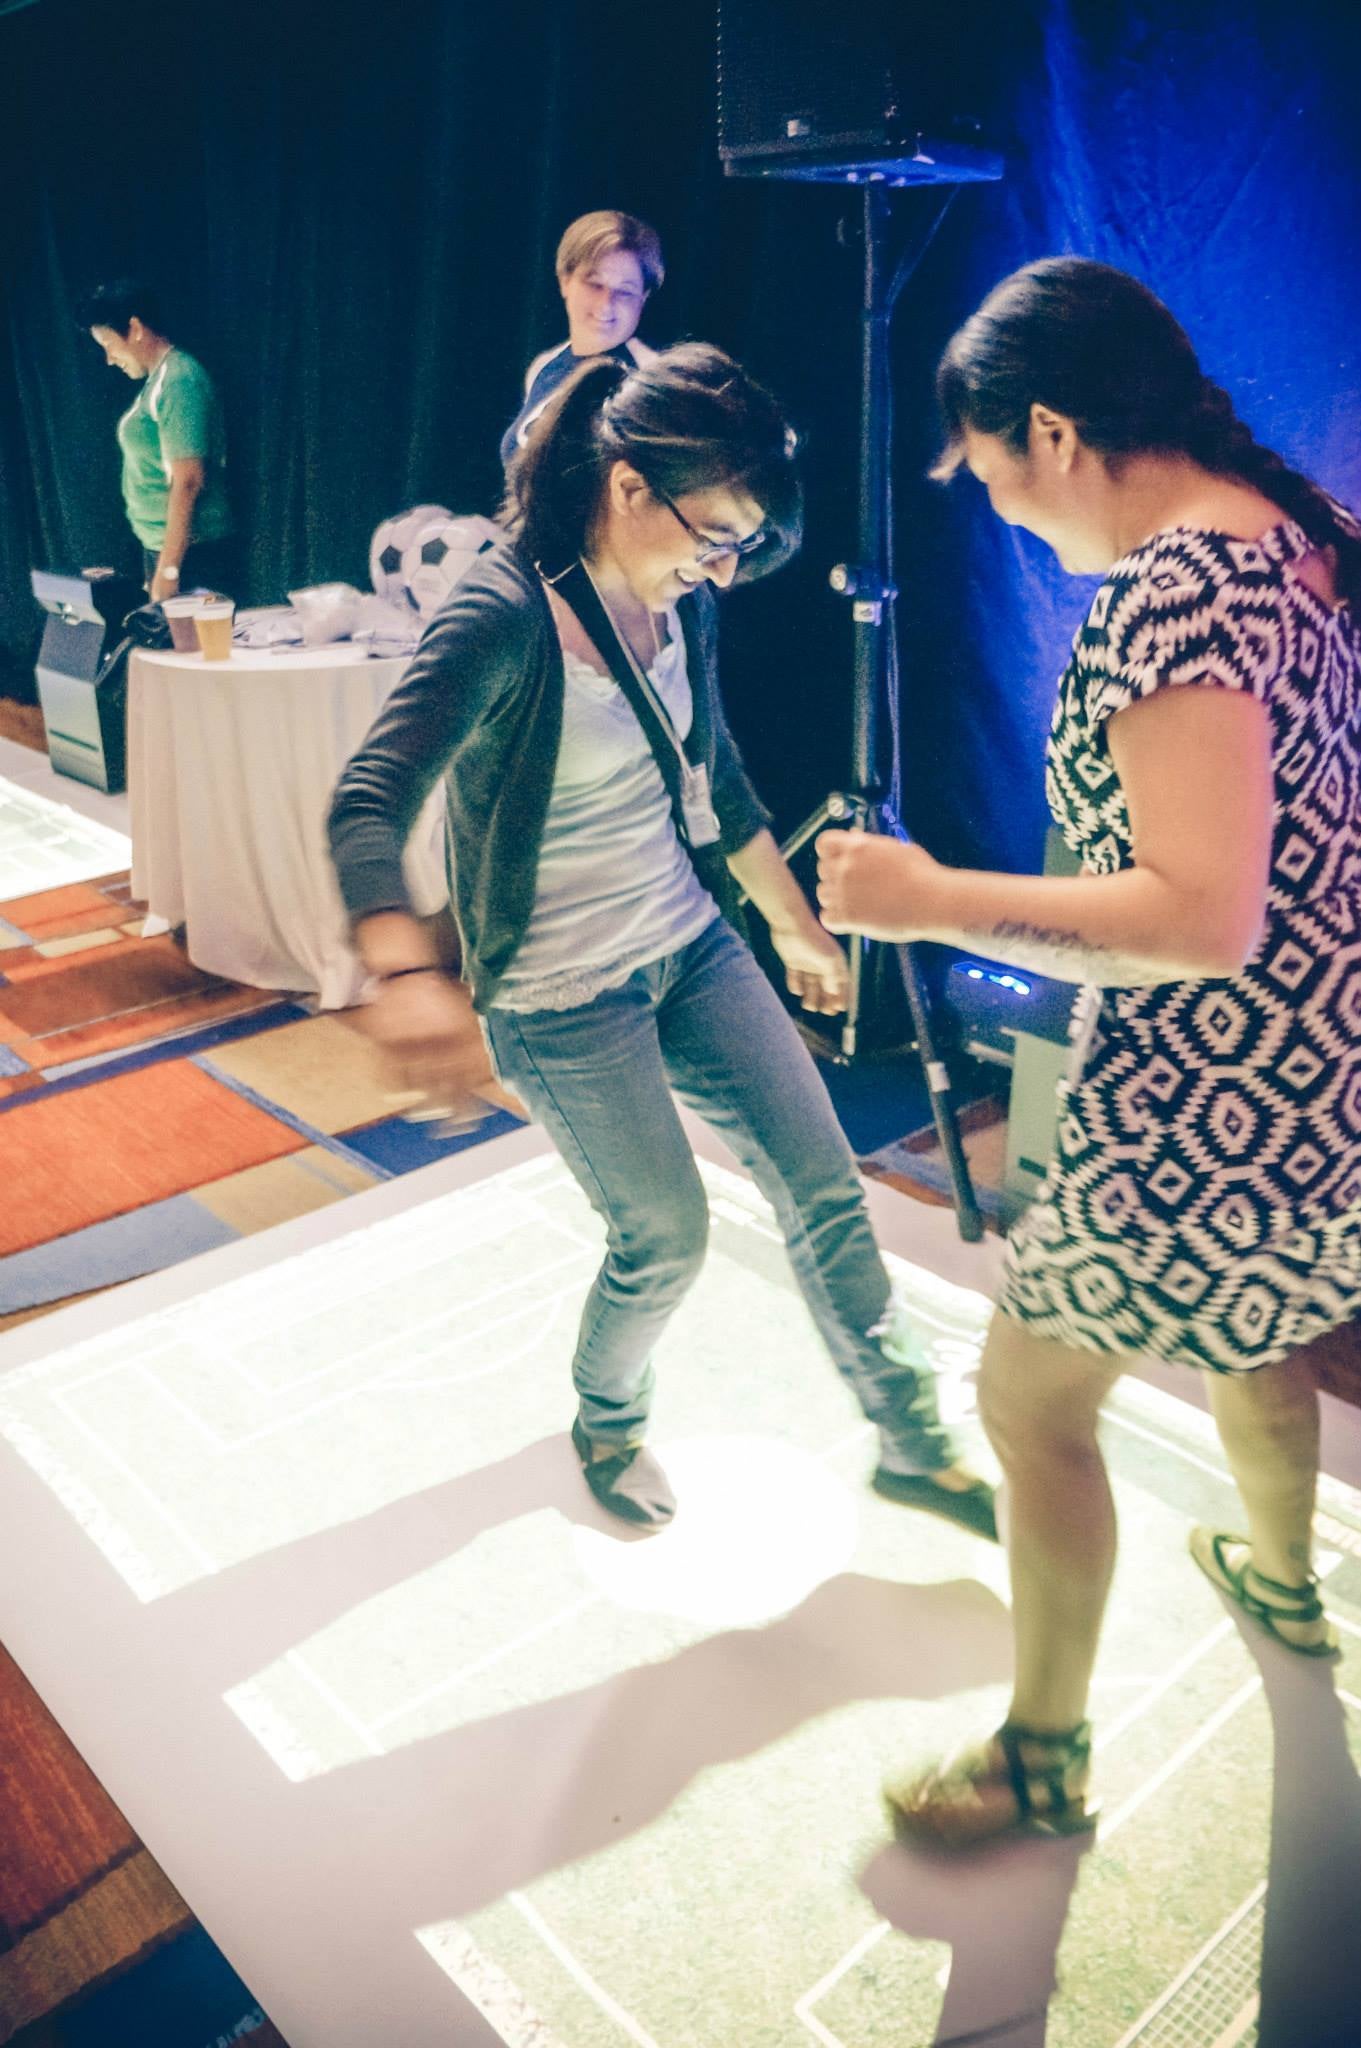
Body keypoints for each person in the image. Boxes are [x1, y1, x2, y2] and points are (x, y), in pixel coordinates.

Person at [817, 256, 1361, 1843]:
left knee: (1030, 1406)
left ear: (1052, 432)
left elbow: (1195, 916)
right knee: (1259, 1335)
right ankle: (1284, 1583)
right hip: (1317, 1077)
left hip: (1197, 1102)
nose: (1001, 512)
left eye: (991, 475)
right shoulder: (1293, 537)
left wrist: (926, 899)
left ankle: (1041, 1757)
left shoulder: (1176, 593)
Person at [329, 341, 994, 1536]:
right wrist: (409, 972)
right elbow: (368, 799)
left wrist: (791, 925)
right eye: (716, 535)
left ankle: (911, 1440)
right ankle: (607, 1417)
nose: (723, 569)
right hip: (558, 990)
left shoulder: (677, 597)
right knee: (664, 1237)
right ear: (628, 485)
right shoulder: (501, 613)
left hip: (687, 944)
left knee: (822, 1183)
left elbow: (711, 774)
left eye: (741, 544)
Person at [78, 277, 236, 602]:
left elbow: (188, 480)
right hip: (166, 551)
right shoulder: (159, 381)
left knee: (191, 637)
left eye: (108, 344)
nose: (109, 358)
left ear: (135, 328)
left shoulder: (179, 380)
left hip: (191, 558)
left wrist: (168, 571)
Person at [498, 210, 663, 471]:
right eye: (594, 284)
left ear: (643, 298)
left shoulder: (654, 377)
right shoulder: (545, 365)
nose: (606, 304)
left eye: (625, 292)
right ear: (565, 281)